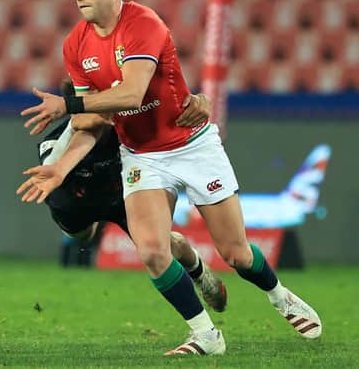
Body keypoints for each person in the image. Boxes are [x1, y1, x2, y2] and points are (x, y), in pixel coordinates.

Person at [18, 0, 322, 356]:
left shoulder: (143, 24)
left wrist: (68, 106)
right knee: (152, 251)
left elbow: (132, 93)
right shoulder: (76, 44)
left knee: (236, 253)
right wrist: (59, 169)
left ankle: (280, 297)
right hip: (142, 155)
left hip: (192, 145)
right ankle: (206, 336)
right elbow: (98, 119)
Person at [24, 79, 227, 312]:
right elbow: (51, 166)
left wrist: (202, 100)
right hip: (75, 203)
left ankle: (201, 274)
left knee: (162, 247)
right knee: (83, 236)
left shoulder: (124, 128)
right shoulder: (54, 140)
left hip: (120, 195)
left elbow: (167, 111)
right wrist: (75, 124)